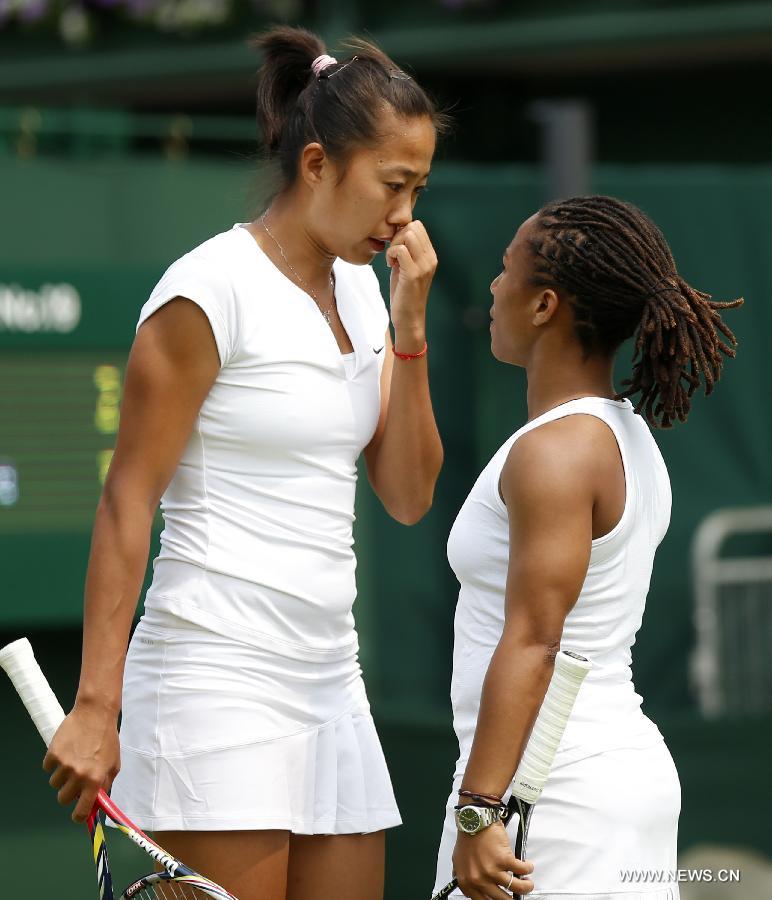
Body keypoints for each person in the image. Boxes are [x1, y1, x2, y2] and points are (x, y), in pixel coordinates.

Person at [42, 26, 446, 900]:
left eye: (417, 189)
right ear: (316, 166)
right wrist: (95, 708)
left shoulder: (368, 291)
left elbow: (409, 495)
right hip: (210, 679)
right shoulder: (208, 290)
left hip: (331, 682)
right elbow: (126, 503)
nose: (405, 215)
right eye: (393, 185)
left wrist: (409, 334)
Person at [432, 195, 743, 900]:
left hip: (550, 795)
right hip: (600, 782)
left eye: (505, 270)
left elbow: (536, 639)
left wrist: (480, 809)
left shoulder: (558, 452)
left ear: (544, 305)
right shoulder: (622, 437)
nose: (491, 287)